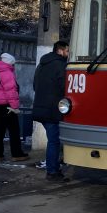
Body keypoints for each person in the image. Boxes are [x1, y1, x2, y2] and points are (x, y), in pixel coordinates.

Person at [33, 40, 69, 182]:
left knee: (53, 140)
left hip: (40, 108)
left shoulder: (41, 65)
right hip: (53, 110)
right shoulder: (61, 66)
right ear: (60, 51)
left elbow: (35, 85)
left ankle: (54, 169)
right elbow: (64, 88)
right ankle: (52, 172)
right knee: (54, 141)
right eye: (67, 51)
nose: (68, 54)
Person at [0, 53, 29, 162]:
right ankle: (17, 154)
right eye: (13, 63)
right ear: (10, 63)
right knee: (14, 131)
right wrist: (15, 107)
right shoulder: (7, 72)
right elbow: (11, 92)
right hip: (7, 106)